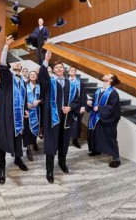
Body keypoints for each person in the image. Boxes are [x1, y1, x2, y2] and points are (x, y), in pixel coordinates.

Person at [38, 50, 80, 183]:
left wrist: (70, 108)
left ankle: (62, 163)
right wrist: (46, 60)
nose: (59, 69)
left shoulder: (70, 84)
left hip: (66, 117)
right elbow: (42, 76)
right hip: (52, 118)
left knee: (64, 141)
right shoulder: (48, 82)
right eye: (56, 67)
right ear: (54, 70)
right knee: (51, 143)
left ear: (64, 69)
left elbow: (77, 99)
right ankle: (49, 170)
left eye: (61, 67)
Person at [0, 36, 29, 184]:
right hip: (7, 116)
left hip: (19, 117)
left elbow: (24, 98)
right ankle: (2, 168)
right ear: (11, 67)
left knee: (18, 139)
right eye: (14, 63)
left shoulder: (23, 82)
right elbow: (2, 64)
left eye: (19, 63)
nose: (17, 64)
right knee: (4, 141)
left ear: (21, 68)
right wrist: (6, 46)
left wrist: (25, 110)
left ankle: (18, 159)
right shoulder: (7, 79)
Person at [87, 73, 122, 168]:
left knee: (110, 137)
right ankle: (95, 150)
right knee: (95, 133)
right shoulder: (99, 90)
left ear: (110, 80)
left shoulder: (113, 93)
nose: (105, 75)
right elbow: (95, 100)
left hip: (107, 118)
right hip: (96, 117)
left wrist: (99, 109)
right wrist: (90, 101)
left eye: (108, 75)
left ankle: (116, 159)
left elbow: (113, 107)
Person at [24, 70, 41, 161]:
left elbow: (43, 97)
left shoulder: (39, 87)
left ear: (37, 77)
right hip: (27, 111)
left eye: (35, 75)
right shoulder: (25, 86)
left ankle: (34, 142)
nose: (33, 76)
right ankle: (28, 149)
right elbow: (21, 97)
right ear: (29, 77)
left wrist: (39, 101)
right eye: (31, 75)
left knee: (35, 128)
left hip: (37, 111)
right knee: (27, 129)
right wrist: (26, 103)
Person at [68, 67, 87, 149]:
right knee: (65, 124)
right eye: (70, 70)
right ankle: (64, 140)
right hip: (66, 107)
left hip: (77, 107)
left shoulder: (80, 83)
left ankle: (75, 140)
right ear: (68, 72)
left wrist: (83, 106)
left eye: (73, 70)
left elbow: (83, 95)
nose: (71, 71)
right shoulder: (65, 81)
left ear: (75, 72)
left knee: (76, 125)